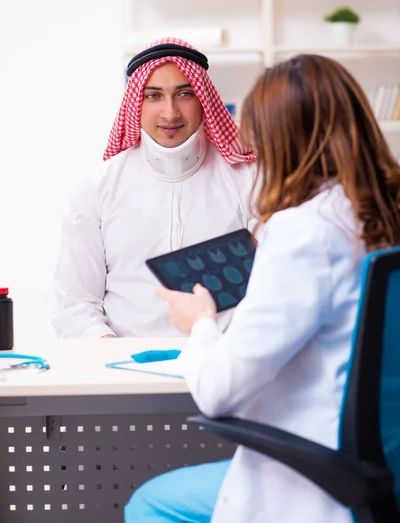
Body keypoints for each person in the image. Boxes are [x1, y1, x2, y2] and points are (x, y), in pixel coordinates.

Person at [124, 53, 400, 523]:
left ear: (283, 144)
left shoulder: (304, 231)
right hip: (387, 465)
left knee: (149, 503)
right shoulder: (380, 215)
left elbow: (218, 392)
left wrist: (201, 325)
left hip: (323, 477)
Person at [51, 37, 256, 339]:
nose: (170, 113)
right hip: (122, 369)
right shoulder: (98, 187)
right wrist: (115, 362)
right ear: (137, 103)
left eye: (184, 94)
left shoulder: (249, 179)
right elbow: (75, 304)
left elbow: (274, 288)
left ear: (203, 99)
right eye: (153, 96)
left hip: (225, 364)